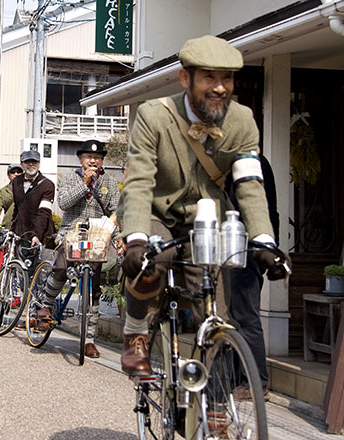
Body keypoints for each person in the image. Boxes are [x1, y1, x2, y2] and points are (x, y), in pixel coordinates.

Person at [119, 35, 290, 379]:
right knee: (151, 260)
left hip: (207, 223)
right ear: (186, 78)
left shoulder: (242, 120)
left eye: (226, 78)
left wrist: (264, 242)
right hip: (156, 212)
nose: (220, 88)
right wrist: (135, 237)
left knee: (215, 314)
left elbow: (249, 185)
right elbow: (139, 181)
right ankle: (136, 327)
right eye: (209, 77)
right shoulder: (154, 115)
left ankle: (214, 410)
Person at [36, 140, 120, 358]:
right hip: (71, 233)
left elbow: (115, 213)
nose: (93, 161)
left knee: (94, 286)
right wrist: (84, 183)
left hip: (97, 237)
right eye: (88, 157)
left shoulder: (109, 183)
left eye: (98, 158)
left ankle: (89, 339)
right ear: (80, 159)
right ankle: (46, 306)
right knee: (62, 266)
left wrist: (119, 240)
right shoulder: (71, 177)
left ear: (102, 161)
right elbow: (63, 203)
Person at [228, 154, 279, 400]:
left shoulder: (251, 162)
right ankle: (238, 379)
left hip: (247, 247)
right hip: (236, 246)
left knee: (246, 315)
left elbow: (265, 210)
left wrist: (266, 250)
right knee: (235, 315)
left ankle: (255, 382)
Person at [10, 150, 55, 249]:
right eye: (27, 162)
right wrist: (12, 230)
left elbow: (44, 212)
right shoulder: (16, 182)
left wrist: (37, 235)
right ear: (21, 164)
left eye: (34, 162)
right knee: (16, 264)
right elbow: (17, 208)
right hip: (20, 235)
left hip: (41, 235)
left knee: (41, 263)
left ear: (39, 164)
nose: (31, 164)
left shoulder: (47, 185)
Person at [0, 163, 23, 235]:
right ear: (8, 175)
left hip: (25, 227)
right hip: (9, 226)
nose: (16, 174)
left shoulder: (28, 188)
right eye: (13, 172)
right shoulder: (3, 191)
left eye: (18, 172)